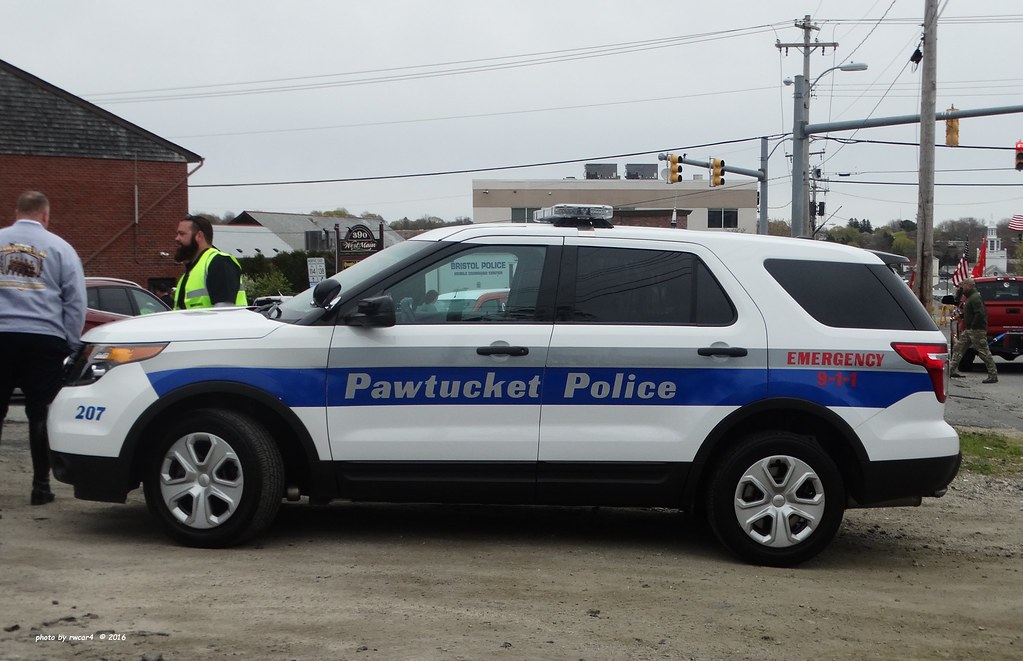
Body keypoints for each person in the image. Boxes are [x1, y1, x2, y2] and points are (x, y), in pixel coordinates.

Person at [0, 191, 87, 505]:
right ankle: (40, 487)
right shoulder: (60, 248)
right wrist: (70, 342)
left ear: (17, 211)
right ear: (45, 215)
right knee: (40, 412)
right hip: (43, 340)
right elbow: (75, 300)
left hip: (2, 335)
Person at [173, 214, 247, 309]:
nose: (177, 238)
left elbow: (225, 312)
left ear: (199, 236)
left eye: (182, 234)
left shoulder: (219, 262)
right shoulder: (191, 272)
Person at [949, 277, 998, 383]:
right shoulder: (970, 298)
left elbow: (979, 314)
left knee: (983, 352)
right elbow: (972, 313)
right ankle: (951, 370)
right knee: (959, 348)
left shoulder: (975, 298)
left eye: (964, 286)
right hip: (969, 329)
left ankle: (993, 375)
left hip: (976, 330)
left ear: (970, 286)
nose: (963, 288)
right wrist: (962, 316)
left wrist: (974, 325)